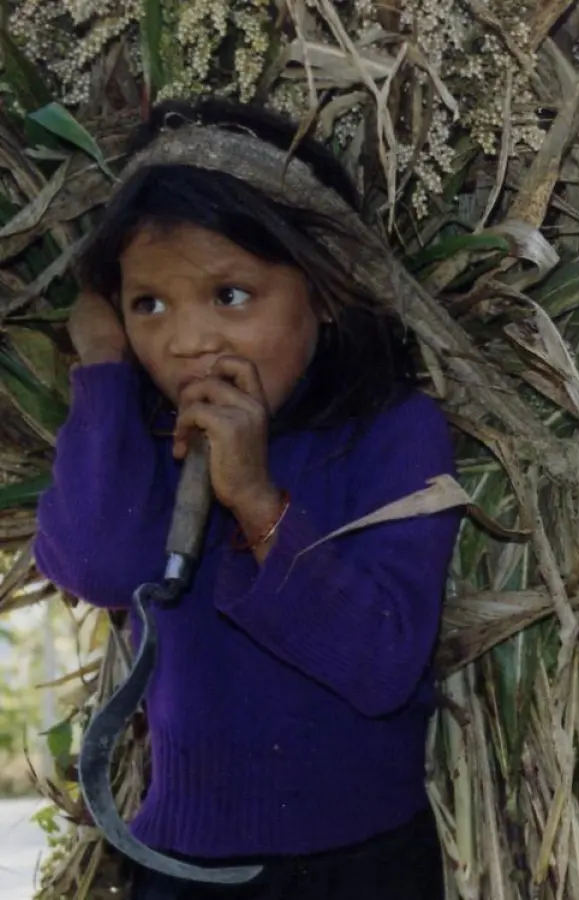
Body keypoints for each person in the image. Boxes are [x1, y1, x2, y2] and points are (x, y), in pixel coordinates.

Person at [34, 98, 462, 900]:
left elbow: (380, 666)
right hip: (177, 868)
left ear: (327, 291)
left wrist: (258, 502)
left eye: (230, 295)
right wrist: (101, 374)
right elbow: (97, 564)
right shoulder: (142, 436)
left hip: (363, 868)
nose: (189, 340)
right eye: (148, 305)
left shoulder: (391, 432)